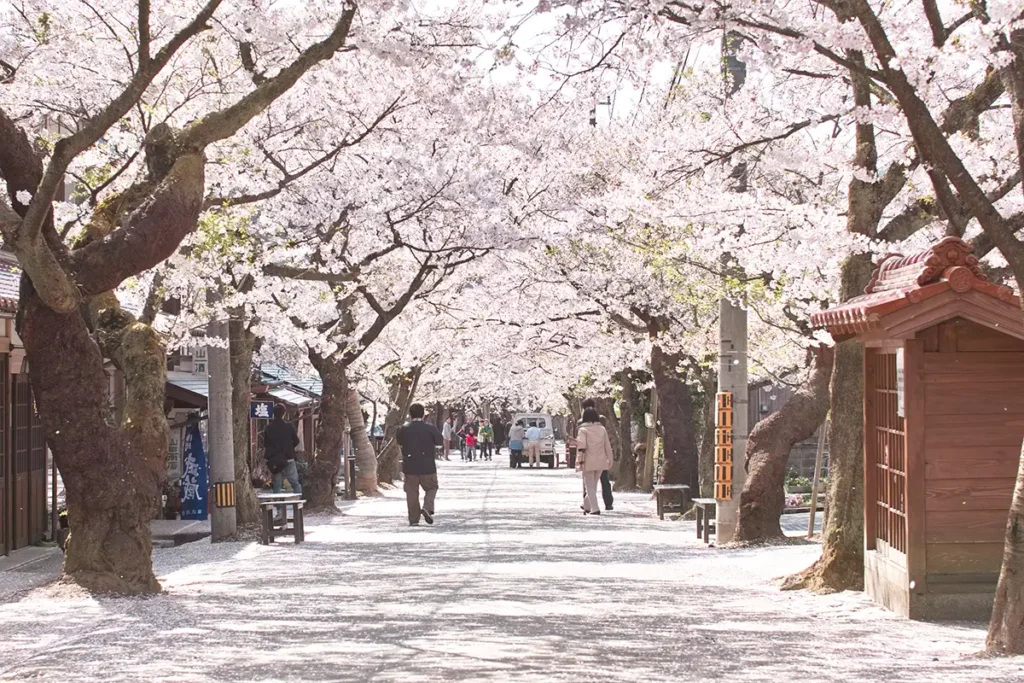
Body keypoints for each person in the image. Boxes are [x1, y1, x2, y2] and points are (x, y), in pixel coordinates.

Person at [396, 403, 443, 526]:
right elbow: (439, 442)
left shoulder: (403, 429)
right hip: (427, 465)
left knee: (411, 492)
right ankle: (427, 507)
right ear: (423, 415)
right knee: (432, 487)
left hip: (410, 465)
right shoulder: (430, 428)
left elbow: (399, 442)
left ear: (410, 415)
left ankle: (413, 519)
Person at [264, 404, 301, 518]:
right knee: (295, 482)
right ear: (284, 413)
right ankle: (298, 508)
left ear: (273, 413)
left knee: (277, 485)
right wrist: (289, 447)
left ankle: (279, 511)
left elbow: (265, 444)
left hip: (275, 460)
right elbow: (296, 440)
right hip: (288, 457)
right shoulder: (289, 426)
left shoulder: (268, 428)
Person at [576, 407, 614, 515]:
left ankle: (595, 508)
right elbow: (607, 445)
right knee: (593, 484)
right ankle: (586, 505)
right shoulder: (602, 429)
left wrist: (579, 460)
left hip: (588, 461)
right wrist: (610, 459)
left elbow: (582, 446)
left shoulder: (582, 430)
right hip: (601, 461)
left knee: (589, 486)